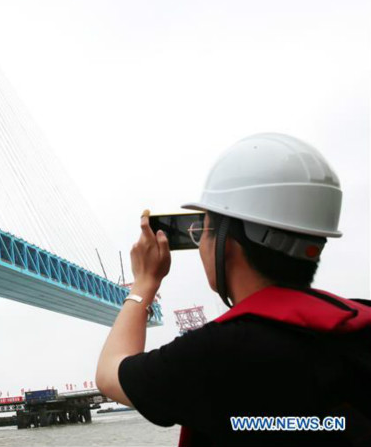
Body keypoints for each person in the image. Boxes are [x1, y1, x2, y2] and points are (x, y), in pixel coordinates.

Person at [95, 133, 371, 446]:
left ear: (226, 245)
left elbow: (109, 374)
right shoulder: (359, 324)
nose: (201, 244)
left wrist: (145, 281)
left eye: (203, 231)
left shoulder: (218, 352)